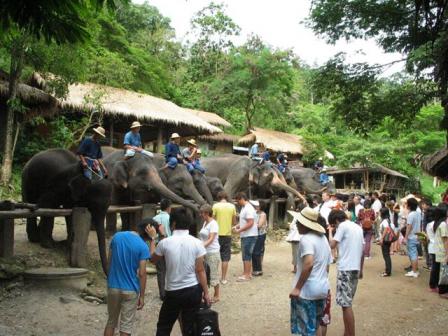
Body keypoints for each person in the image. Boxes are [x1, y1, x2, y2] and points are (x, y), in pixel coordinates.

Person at [150, 207, 210, 336]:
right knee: (189, 327)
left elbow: (153, 259)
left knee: (164, 326)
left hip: (173, 291)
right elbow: (200, 270)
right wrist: (206, 292)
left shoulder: (164, 243)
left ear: (173, 223)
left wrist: (153, 239)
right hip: (193, 289)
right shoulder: (197, 243)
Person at [103, 218, 156, 336]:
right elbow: (142, 273)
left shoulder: (117, 237)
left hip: (113, 286)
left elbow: (109, 262)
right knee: (126, 326)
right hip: (131, 289)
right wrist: (142, 296)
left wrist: (110, 281)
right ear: (148, 235)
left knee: (111, 322)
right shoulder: (143, 247)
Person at [288, 207, 331, 336]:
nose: (296, 224)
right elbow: (327, 266)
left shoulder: (306, 239)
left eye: (298, 222)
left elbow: (308, 264)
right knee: (315, 326)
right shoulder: (323, 238)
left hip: (307, 292)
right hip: (322, 289)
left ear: (305, 224)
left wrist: (297, 288)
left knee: (304, 330)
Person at [328, 209, 364, 336]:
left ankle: (351, 334)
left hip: (345, 268)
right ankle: (347, 333)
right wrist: (361, 269)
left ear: (336, 220)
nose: (335, 227)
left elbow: (332, 245)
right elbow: (362, 251)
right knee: (348, 301)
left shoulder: (342, 226)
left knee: (345, 304)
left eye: (334, 224)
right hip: (355, 268)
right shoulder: (358, 227)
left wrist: (330, 232)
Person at [212, 191, 237, 285]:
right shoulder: (232, 206)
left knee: (215, 256)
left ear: (218, 197)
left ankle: (214, 277)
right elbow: (234, 222)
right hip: (227, 234)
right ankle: (223, 278)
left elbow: (212, 220)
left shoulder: (215, 206)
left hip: (216, 235)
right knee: (225, 257)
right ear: (226, 197)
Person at [233, 192, 258, 281]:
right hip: (246, 235)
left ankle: (247, 275)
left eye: (238, 201)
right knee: (245, 255)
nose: (237, 203)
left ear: (242, 199)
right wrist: (237, 226)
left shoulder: (248, 208)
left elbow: (250, 223)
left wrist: (239, 230)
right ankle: (246, 273)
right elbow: (245, 221)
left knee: (247, 255)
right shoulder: (244, 208)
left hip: (249, 235)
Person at [199, 204, 221, 303]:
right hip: (204, 252)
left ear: (207, 213)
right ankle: (205, 294)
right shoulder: (205, 223)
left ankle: (217, 295)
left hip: (212, 252)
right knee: (204, 273)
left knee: (213, 273)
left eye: (201, 213)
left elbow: (211, 239)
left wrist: (200, 246)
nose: (200, 215)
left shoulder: (213, 224)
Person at [152, 199, 172, 301]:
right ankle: (170, 290)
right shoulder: (170, 218)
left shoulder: (154, 218)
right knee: (171, 269)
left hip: (158, 246)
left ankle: (162, 294)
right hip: (170, 246)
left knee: (160, 271)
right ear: (169, 207)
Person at [403, 197, 422, 278]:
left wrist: (405, 237)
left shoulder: (411, 214)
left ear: (409, 205)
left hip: (412, 237)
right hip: (417, 236)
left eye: (407, 203)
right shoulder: (418, 214)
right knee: (414, 254)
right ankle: (415, 270)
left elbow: (409, 226)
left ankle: (414, 271)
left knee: (413, 254)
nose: (406, 205)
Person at [433, 204, 448, 298]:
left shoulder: (437, 223)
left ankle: (441, 290)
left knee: (441, 270)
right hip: (442, 251)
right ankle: (443, 291)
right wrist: (447, 254)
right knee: (444, 272)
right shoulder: (443, 224)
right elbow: (445, 240)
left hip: (438, 250)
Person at [379, 207, 397, 277]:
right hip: (388, 239)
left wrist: (382, 238)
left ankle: (388, 271)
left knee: (386, 255)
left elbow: (386, 228)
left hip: (385, 240)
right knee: (386, 255)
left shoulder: (385, 221)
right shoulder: (388, 220)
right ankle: (388, 270)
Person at [252, 200, 268, 276]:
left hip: (260, 235)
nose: (256, 207)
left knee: (257, 252)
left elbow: (259, 225)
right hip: (255, 234)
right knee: (255, 251)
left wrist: (249, 225)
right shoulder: (255, 213)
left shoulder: (263, 214)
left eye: (257, 206)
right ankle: (255, 268)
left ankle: (258, 270)